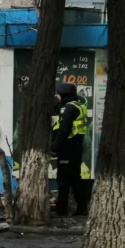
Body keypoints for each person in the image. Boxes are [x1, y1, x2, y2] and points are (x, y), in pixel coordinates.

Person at [52, 82, 89, 216]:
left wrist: (55, 146)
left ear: (63, 95)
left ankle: (61, 210)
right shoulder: (78, 105)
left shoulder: (69, 108)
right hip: (76, 146)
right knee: (75, 178)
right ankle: (82, 208)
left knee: (63, 180)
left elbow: (64, 129)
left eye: (59, 95)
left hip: (67, 147)